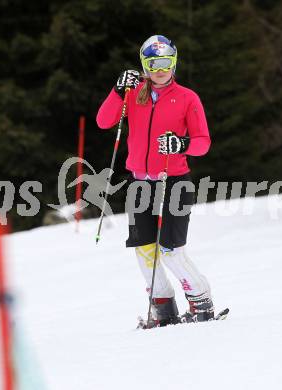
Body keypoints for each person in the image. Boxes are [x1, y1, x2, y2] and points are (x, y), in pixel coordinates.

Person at [96, 35, 213, 327]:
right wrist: (116, 89)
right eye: (152, 63)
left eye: (165, 63)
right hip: (140, 183)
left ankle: (201, 302)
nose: (159, 70)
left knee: (171, 251)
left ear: (174, 63)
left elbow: (202, 142)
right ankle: (163, 310)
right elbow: (103, 121)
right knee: (145, 250)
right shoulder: (134, 93)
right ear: (144, 65)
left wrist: (181, 144)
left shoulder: (187, 97)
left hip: (174, 182)